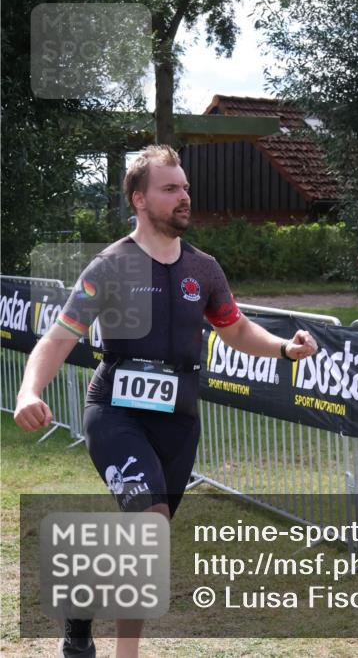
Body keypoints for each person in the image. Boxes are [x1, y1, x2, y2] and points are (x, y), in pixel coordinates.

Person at [12, 146, 319, 658]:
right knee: (149, 526)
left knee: (143, 535)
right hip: (115, 412)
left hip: (179, 419)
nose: (184, 197)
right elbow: (58, 338)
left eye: (185, 188)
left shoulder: (204, 267)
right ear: (139, 198)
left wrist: (285, 349)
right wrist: (28, 391)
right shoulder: (110, 265)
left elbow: (235, 328)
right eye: (170, 188)